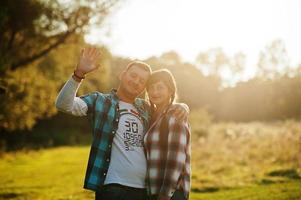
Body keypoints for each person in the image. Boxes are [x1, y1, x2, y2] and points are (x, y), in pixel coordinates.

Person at [55, 48, 188, 200]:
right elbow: (63, 105)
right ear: (122, 75)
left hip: (145, 190)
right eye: (133, 75)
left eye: (142, 81)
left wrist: (182, 106)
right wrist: (78, 74)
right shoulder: (101, 101)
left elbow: (166, 109)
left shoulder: (146, 108)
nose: (136, 81)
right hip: (113, 189)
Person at [144, 69, 191, 200]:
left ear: (170, 90)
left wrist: (165, 194)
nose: (154, 92)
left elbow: (175, 159)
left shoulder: (175, 115)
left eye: (160, 87)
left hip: (170, 193)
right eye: (151, 88)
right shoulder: (151, 116)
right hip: (153, 190)